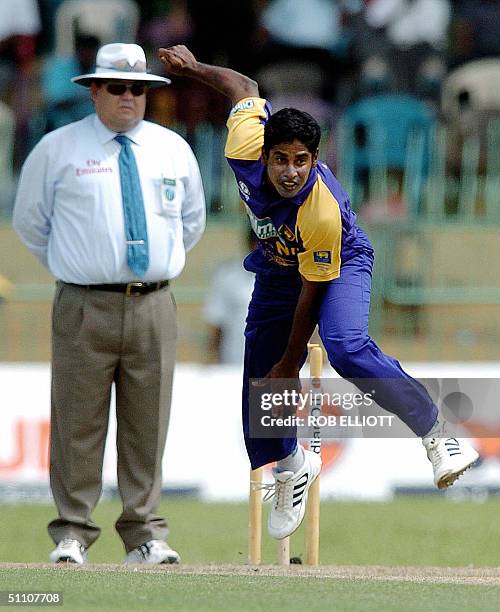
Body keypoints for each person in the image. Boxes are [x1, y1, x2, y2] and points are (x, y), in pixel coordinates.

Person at [158, 44, 478, 541]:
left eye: (302, 161)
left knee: (346, 347)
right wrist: (194, 68)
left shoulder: (321, 209)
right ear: (263, 153)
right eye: (281, 159)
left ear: (314, 159)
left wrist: (291, 362)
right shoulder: (243, 142)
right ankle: (289, 468)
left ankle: (438, 433)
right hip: (278, 262)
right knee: (260, 386)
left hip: (338, 261)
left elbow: (314, 289)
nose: (290, 172)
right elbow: (244, 87)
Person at [13, 43, 206, 564]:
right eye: (117, 87)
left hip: (153, 303)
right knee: (77, 421)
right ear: (94, 90)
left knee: (148, 422)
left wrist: (151, 270)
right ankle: (72, 533)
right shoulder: (59, 149)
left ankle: (145, 534)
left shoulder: (172, 149)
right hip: (83, 302)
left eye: (138, 88)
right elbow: (31, 223)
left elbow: (191, 223)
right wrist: (78, 265)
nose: (128, 97)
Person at [203, 227, 257, 365]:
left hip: (278, 372)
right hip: (234, 366)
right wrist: (211, 359)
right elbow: (216, 322)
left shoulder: (290, 278)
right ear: (251, 243)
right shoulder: (228, 276)